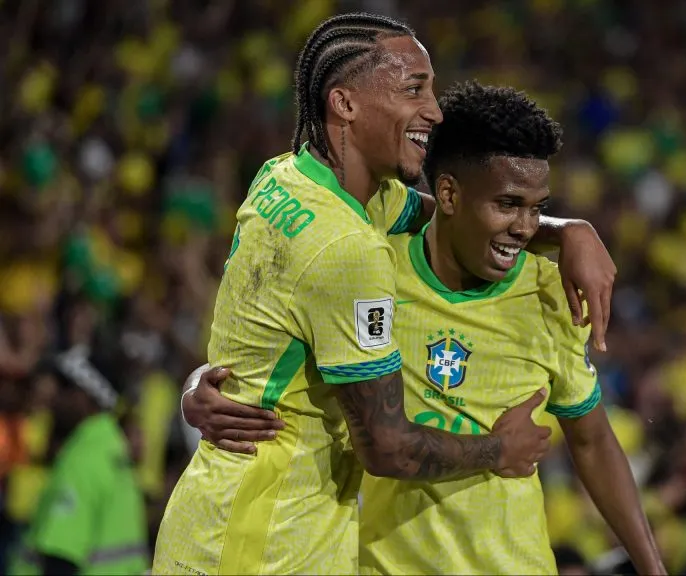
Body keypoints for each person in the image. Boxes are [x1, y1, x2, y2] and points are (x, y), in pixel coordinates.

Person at [154, 12, 616, 576]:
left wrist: (569, 230)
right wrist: (501, 451)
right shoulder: (349, 248)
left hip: (220, 514)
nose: (435, 111)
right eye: (413, 88)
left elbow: (447, 214)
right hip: (267, 541)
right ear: (344, 103)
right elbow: (387, 446)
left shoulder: (285, 177)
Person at [11, 348, 147, 575]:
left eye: (65, 388)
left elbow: (60, 559)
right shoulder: (112, 449)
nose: (54, 396)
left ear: (86, 398)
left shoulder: (82, 459)